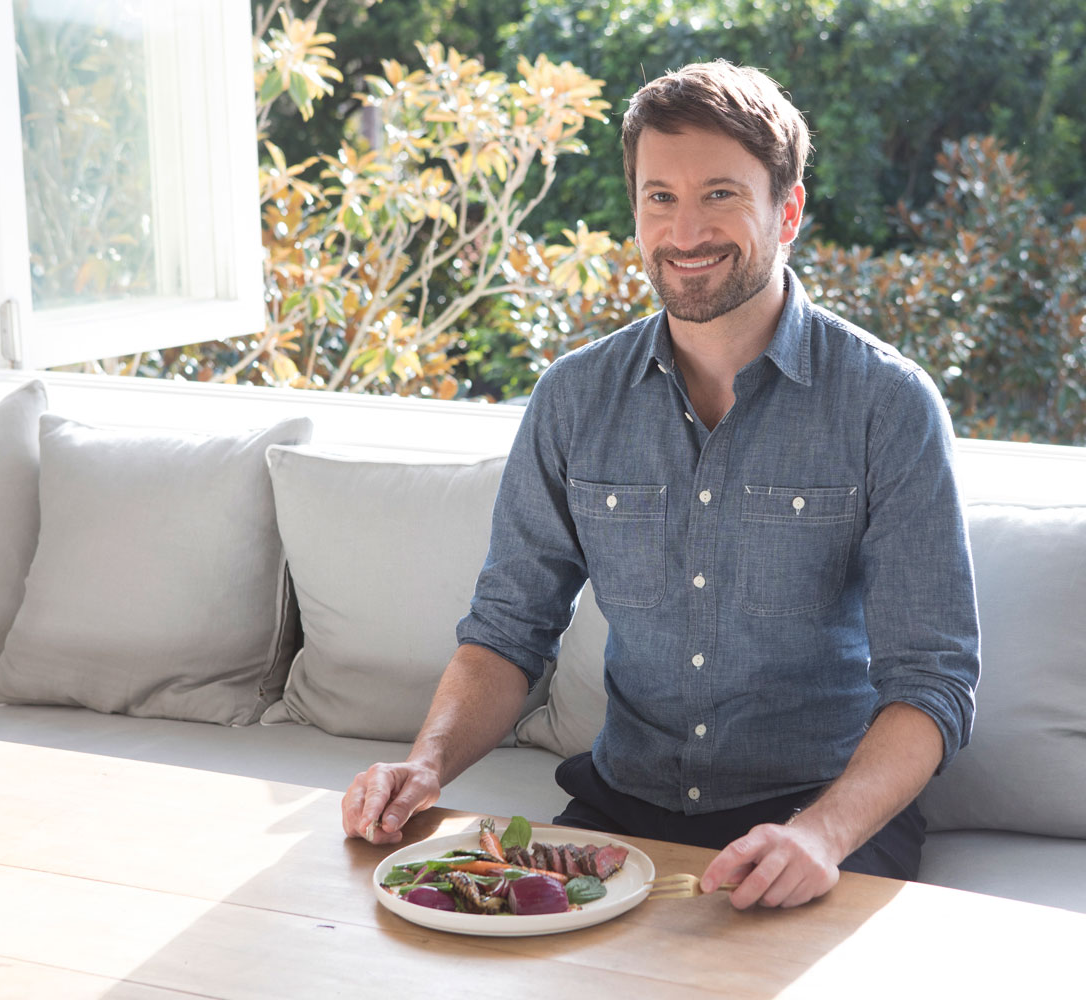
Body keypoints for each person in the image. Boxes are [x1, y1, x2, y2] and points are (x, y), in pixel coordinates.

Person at [341, 60, 979, 910]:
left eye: (720, 194)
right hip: (622, 808)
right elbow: (508, 630)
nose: (685, 232)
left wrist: (819, 836)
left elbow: (932, 680)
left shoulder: (888, 405)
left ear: (786, 211)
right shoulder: (573, 398)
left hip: (819, 823)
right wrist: (423, 766)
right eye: (659, 198)